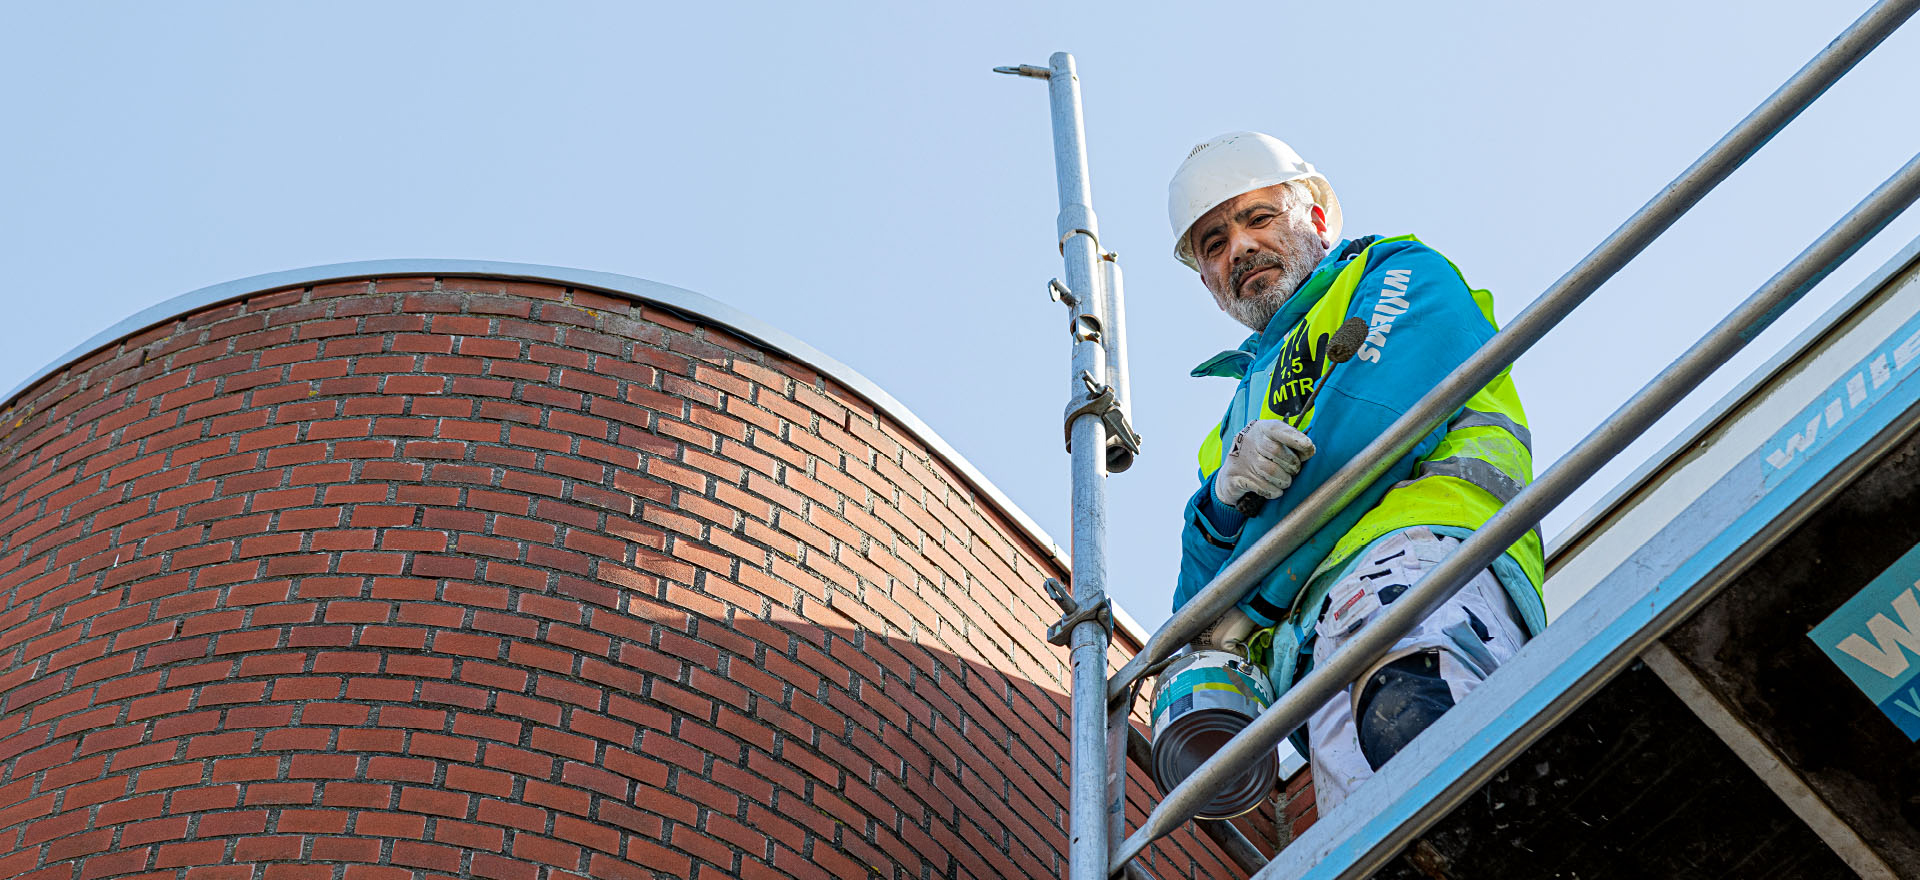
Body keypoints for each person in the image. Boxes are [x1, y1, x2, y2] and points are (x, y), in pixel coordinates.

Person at [1167, 132, 1546, 813]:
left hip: (1418, 563)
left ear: (1313, 217)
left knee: (1447, 779)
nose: (1240, 249)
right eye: (1214, 242)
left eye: (1258, 217)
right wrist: (1221, 501)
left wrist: (1247, 599)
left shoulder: (1393, 270)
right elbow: (1194, 611)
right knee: (1384, 834)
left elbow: (1366, 427)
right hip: (1309, 665)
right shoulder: (1225, 431)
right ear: (1206, 280)